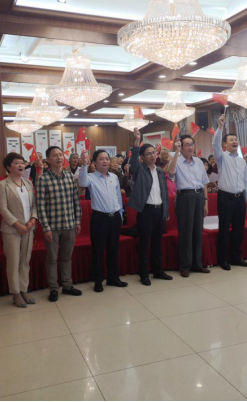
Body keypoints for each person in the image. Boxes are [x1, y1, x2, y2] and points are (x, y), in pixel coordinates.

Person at [37, 146, 83, 302]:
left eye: (61, 154)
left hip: (70, 225)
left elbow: (76, 200)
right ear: (48, 160)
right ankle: (53, 288)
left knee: (66, 257)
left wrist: (77, 220)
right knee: (52, 259)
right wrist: (46, 228)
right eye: (55, 155)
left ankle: (67, 285)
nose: (58, 157)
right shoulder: (43, 179)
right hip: (52, 227)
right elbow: (40, 206)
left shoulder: (69, 176)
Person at [79, 149, 128, 293]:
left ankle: (113, 278)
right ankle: (98, 280)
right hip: (99, 218)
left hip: (115, 217)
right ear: (94, 162)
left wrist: (120, 214)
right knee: (98, 250)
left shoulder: (114, 177)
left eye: (107, 158)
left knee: (114, 249)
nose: (105, 161)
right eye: (101, 159)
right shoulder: (90, 177)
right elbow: (82, 182)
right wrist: (84, 164)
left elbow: (118, 196)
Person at [129, 128, 173, 286]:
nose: (153, 155)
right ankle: (144, 274)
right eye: (149, 153)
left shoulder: (160, 171)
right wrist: (136, 141)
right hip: (146, 211)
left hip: (159, 211)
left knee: (157, 243)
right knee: (144, 244)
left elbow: (164, 193)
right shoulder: (139, 169)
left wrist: (166, 211)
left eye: (154, 152)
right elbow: (133, 163)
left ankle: (158, 271)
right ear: (142, 157)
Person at [0, 153, 39, 308]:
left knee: (25, 261)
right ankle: (15, 293)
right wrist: (17, 225)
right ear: (8, 167)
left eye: (22, 162)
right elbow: (3, 209)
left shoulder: (28, 183)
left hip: (28, 228)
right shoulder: (3, 185)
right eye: (16, 163)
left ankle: (24, 290)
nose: (21, 165)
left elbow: (34, 205)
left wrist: (33, 220)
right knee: (13, 262)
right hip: (12, 230)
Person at [168, 135, 211, 278]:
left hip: (199, 196)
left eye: (192, 144)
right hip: (185, 197)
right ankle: (185, 266)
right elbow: (171, 172)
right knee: (186, 232)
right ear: (181, 147)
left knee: (198, 231)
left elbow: (204, 182)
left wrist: (206, 201)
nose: (190, 147)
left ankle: (197, 264)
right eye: (187, 145)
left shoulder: (198, 161)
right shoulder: (177, 160)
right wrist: (176, 152)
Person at [213, 115, 247, 271]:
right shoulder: (221, 157)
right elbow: (215, 144)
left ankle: (236, 257)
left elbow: (246, 181)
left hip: (239, 198)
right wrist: (220, 127)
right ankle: (223, 260)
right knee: (224, 230)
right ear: (225, 144)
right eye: (231, 140)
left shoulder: (242, 161)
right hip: (225, 198)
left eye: (236, 139)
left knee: (238, 229)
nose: (234, 141)